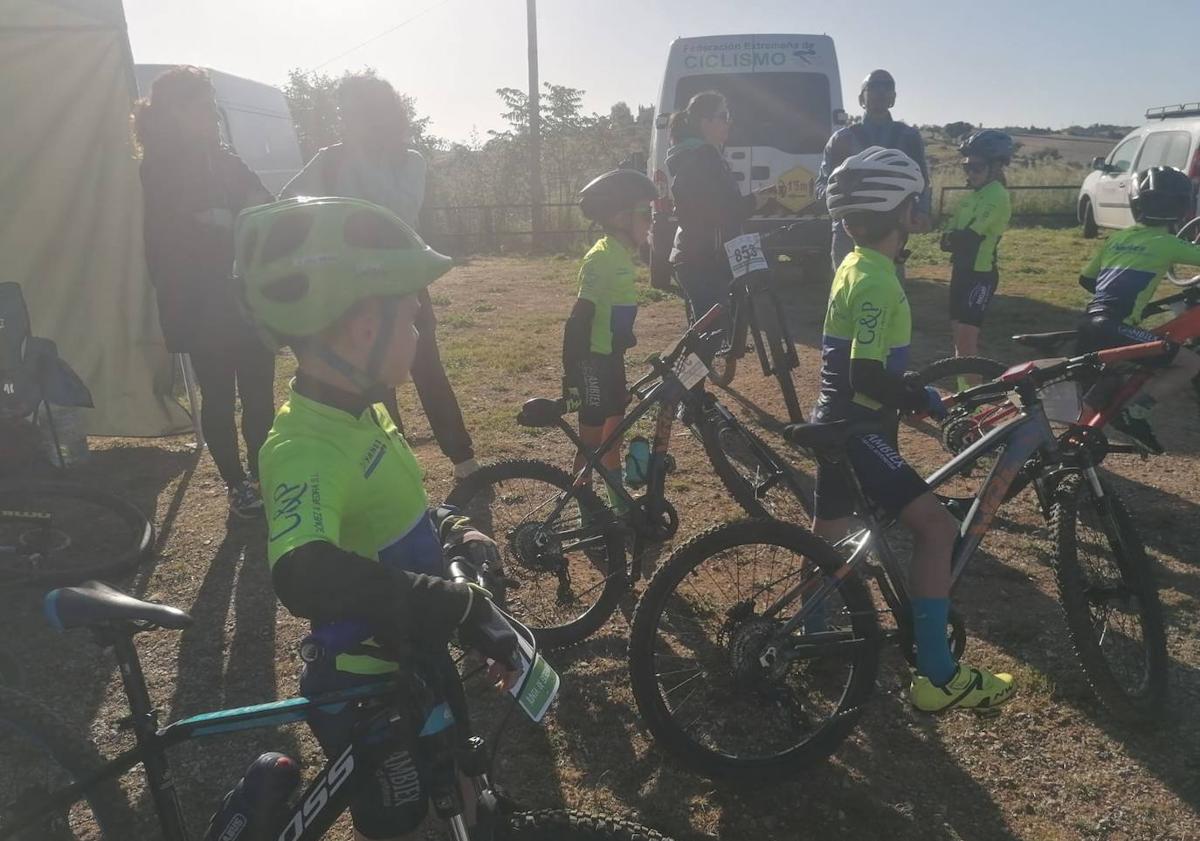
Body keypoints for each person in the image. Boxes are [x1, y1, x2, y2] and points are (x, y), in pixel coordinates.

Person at [238, 196, 518, 841]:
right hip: (366, 687)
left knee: (468, 799)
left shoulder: (363, 407)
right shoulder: (303, 447)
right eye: (414, 320)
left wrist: (452, 528)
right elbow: (305, 572)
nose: (422, 337)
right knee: (413, 824)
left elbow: (395, 513)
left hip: (414, 655)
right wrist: (459, 606)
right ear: (365, 325)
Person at [811, 146, 1016, 712]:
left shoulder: (853, 264)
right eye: (915, 200)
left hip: (834, 420)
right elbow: (868, 375)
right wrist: (926, 398)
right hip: (858, 427)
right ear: (898, 210)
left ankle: (809, 638)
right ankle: (936, 675)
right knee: (936, 530)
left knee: (828, 537)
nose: (921, 208)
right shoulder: (877, 280)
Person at [282, 74, 480, 480]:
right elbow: (289, 202)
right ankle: (394, 467)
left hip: (403, 282)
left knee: (426, 369)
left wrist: (358, 160)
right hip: (352, 288)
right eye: (342, 111)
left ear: (376, 113)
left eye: (351, 110)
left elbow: (398, 210)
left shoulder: (409, 160)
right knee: (372, 379)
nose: (344, 119)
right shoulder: (329, 158)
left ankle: (465, 461)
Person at [135, 66, 275, 519]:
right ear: (175, 111)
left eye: (213, 105)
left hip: (245, 295)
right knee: (218, 395)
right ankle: (237, 486)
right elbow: (176, 233)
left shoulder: (225, 157)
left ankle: (261, 474)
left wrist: (230, 219)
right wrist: (228, 222)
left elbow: (263, 204)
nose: (213, 115)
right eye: (202, 106)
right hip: (198, 301)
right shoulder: (158, 166)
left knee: (259, 392)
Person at [1075, 165, 1200, 453]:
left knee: (1109, 380)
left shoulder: (1119, 238)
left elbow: (1087, 279)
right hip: (1116, 328)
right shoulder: (1168, 243)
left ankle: (1074, 440)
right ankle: (1135, 413)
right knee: (1189, 363)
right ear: (1182, 207)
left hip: (1090, 322)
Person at [562, 170, 657, 512]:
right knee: (589, 447)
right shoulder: (601, 257)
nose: (650, 222)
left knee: (612, 441)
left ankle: (620, 510)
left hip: (612, 361)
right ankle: (588, 515)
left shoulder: (622, 256)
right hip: (593, 364)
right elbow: (578, 319)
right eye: (645, 214)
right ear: (619, 217)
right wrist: (573, 375)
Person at [665, 91, 769, 334]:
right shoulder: (704, 156)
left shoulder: (699, 154)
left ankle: (701, 365)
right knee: (710, 334)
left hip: (700, 253)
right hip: (702, 256)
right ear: (705, 122)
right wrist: (757, 200)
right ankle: (681, 373)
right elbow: (723, 211)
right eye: (723, 116)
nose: (729, 122)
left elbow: (715, 204)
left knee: (711, 328)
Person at [816, 69, 932, 272]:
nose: (880, 91)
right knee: (847, 289)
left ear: (893, 97)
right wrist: (834, 199)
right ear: (862, 97)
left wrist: (921, 212)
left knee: (889, 293)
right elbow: (822, 184)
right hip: (849, 232)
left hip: (891, 232)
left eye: (887, 86)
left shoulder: (908, 137)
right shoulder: (841, 139)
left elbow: (922, 181)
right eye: (873, 86)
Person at [941, 130, 1013, 372]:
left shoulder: (997, 196)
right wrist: (954, 238)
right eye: (967, 167)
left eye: (977, 167)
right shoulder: (972, 197)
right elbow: (946, 240)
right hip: (960, 272)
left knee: (966, 344)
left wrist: (955, 238)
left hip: (980, 275)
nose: (970, 173)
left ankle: (975, 404)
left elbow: (967, 239)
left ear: (996, 167)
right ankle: (966, 399)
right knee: (959, 346)